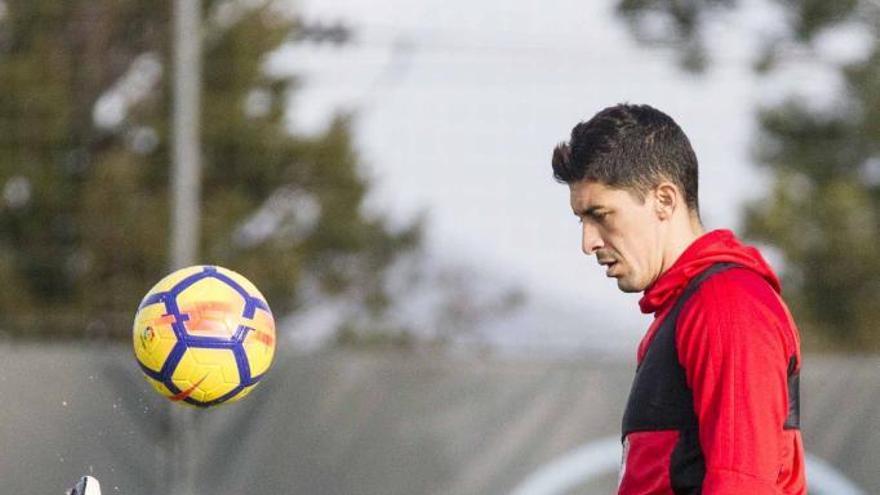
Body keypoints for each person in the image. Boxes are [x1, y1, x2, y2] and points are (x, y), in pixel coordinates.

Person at [551, 104, 805, 494]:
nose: (589, 243)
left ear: (664, 200)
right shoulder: (683, 310)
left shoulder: (727, 304)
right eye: (581, 220)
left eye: (601, 214)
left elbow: (743, 486)